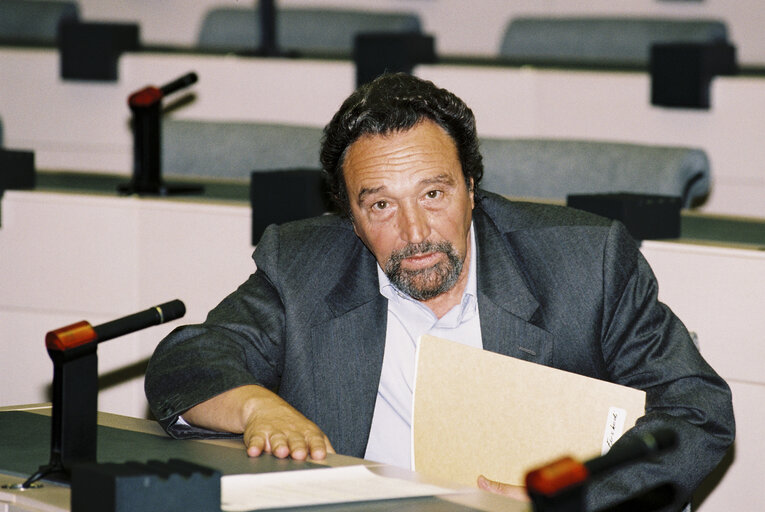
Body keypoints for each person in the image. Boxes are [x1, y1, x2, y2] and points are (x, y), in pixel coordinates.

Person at [145, 73, 734, 511]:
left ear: (472, 187)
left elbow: (696, 411)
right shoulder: (304, 266)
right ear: (350, 217)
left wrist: (576, 498)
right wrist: (256, 405)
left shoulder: (587, 263)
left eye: (434, 194)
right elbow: (187, 362)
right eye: (381, 205)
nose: (416, 232)